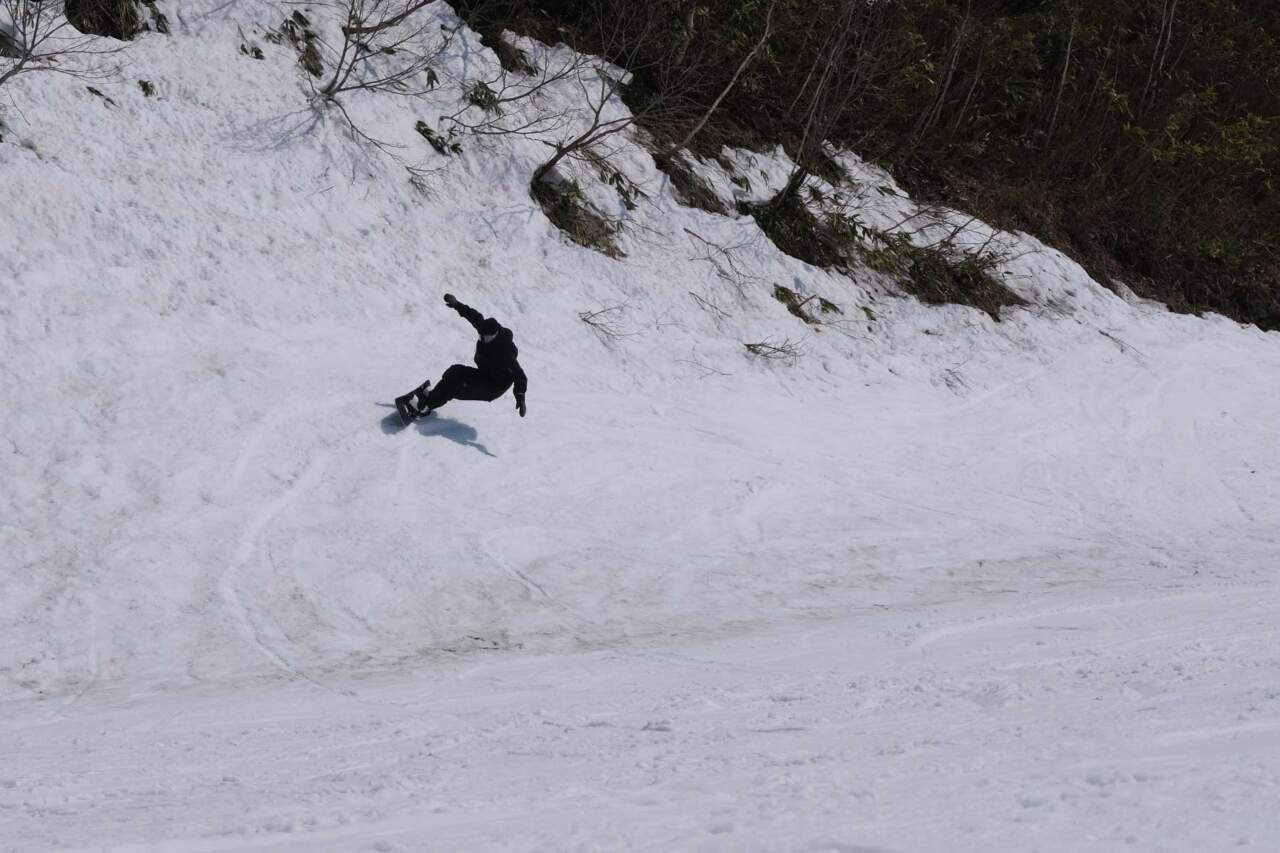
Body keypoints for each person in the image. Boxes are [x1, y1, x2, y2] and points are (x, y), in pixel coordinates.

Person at [395, 294, 528, 424]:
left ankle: (425, 407)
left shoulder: (504, 352)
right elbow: (473, 316)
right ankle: (433, 395)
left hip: (493, 388)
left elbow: (520, 376)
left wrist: (520, 397)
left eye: (486, 337)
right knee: (454, 371)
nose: (483, 339)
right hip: (485, 374)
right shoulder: (484, 329)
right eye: (481, 336)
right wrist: (456, 304)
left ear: (494, 336)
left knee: (456, 385)